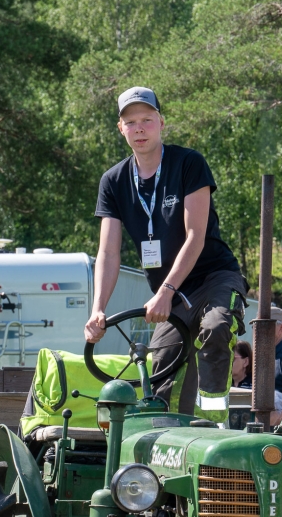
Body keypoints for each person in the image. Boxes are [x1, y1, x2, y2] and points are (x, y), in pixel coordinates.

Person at [86, 86, 247, 421]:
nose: (140, 128)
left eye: (147, 119)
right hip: (172, 295)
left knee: (216, 328)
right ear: (121, 129)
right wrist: (98, 309)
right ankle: (166, 440)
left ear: (161, 122)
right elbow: (108, 253)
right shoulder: (113, 181)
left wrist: (166, 291)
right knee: (159, 365)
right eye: (131, 122)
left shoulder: (188, 163)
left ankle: (214, 428)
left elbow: (195, 236)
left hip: (213, 278)